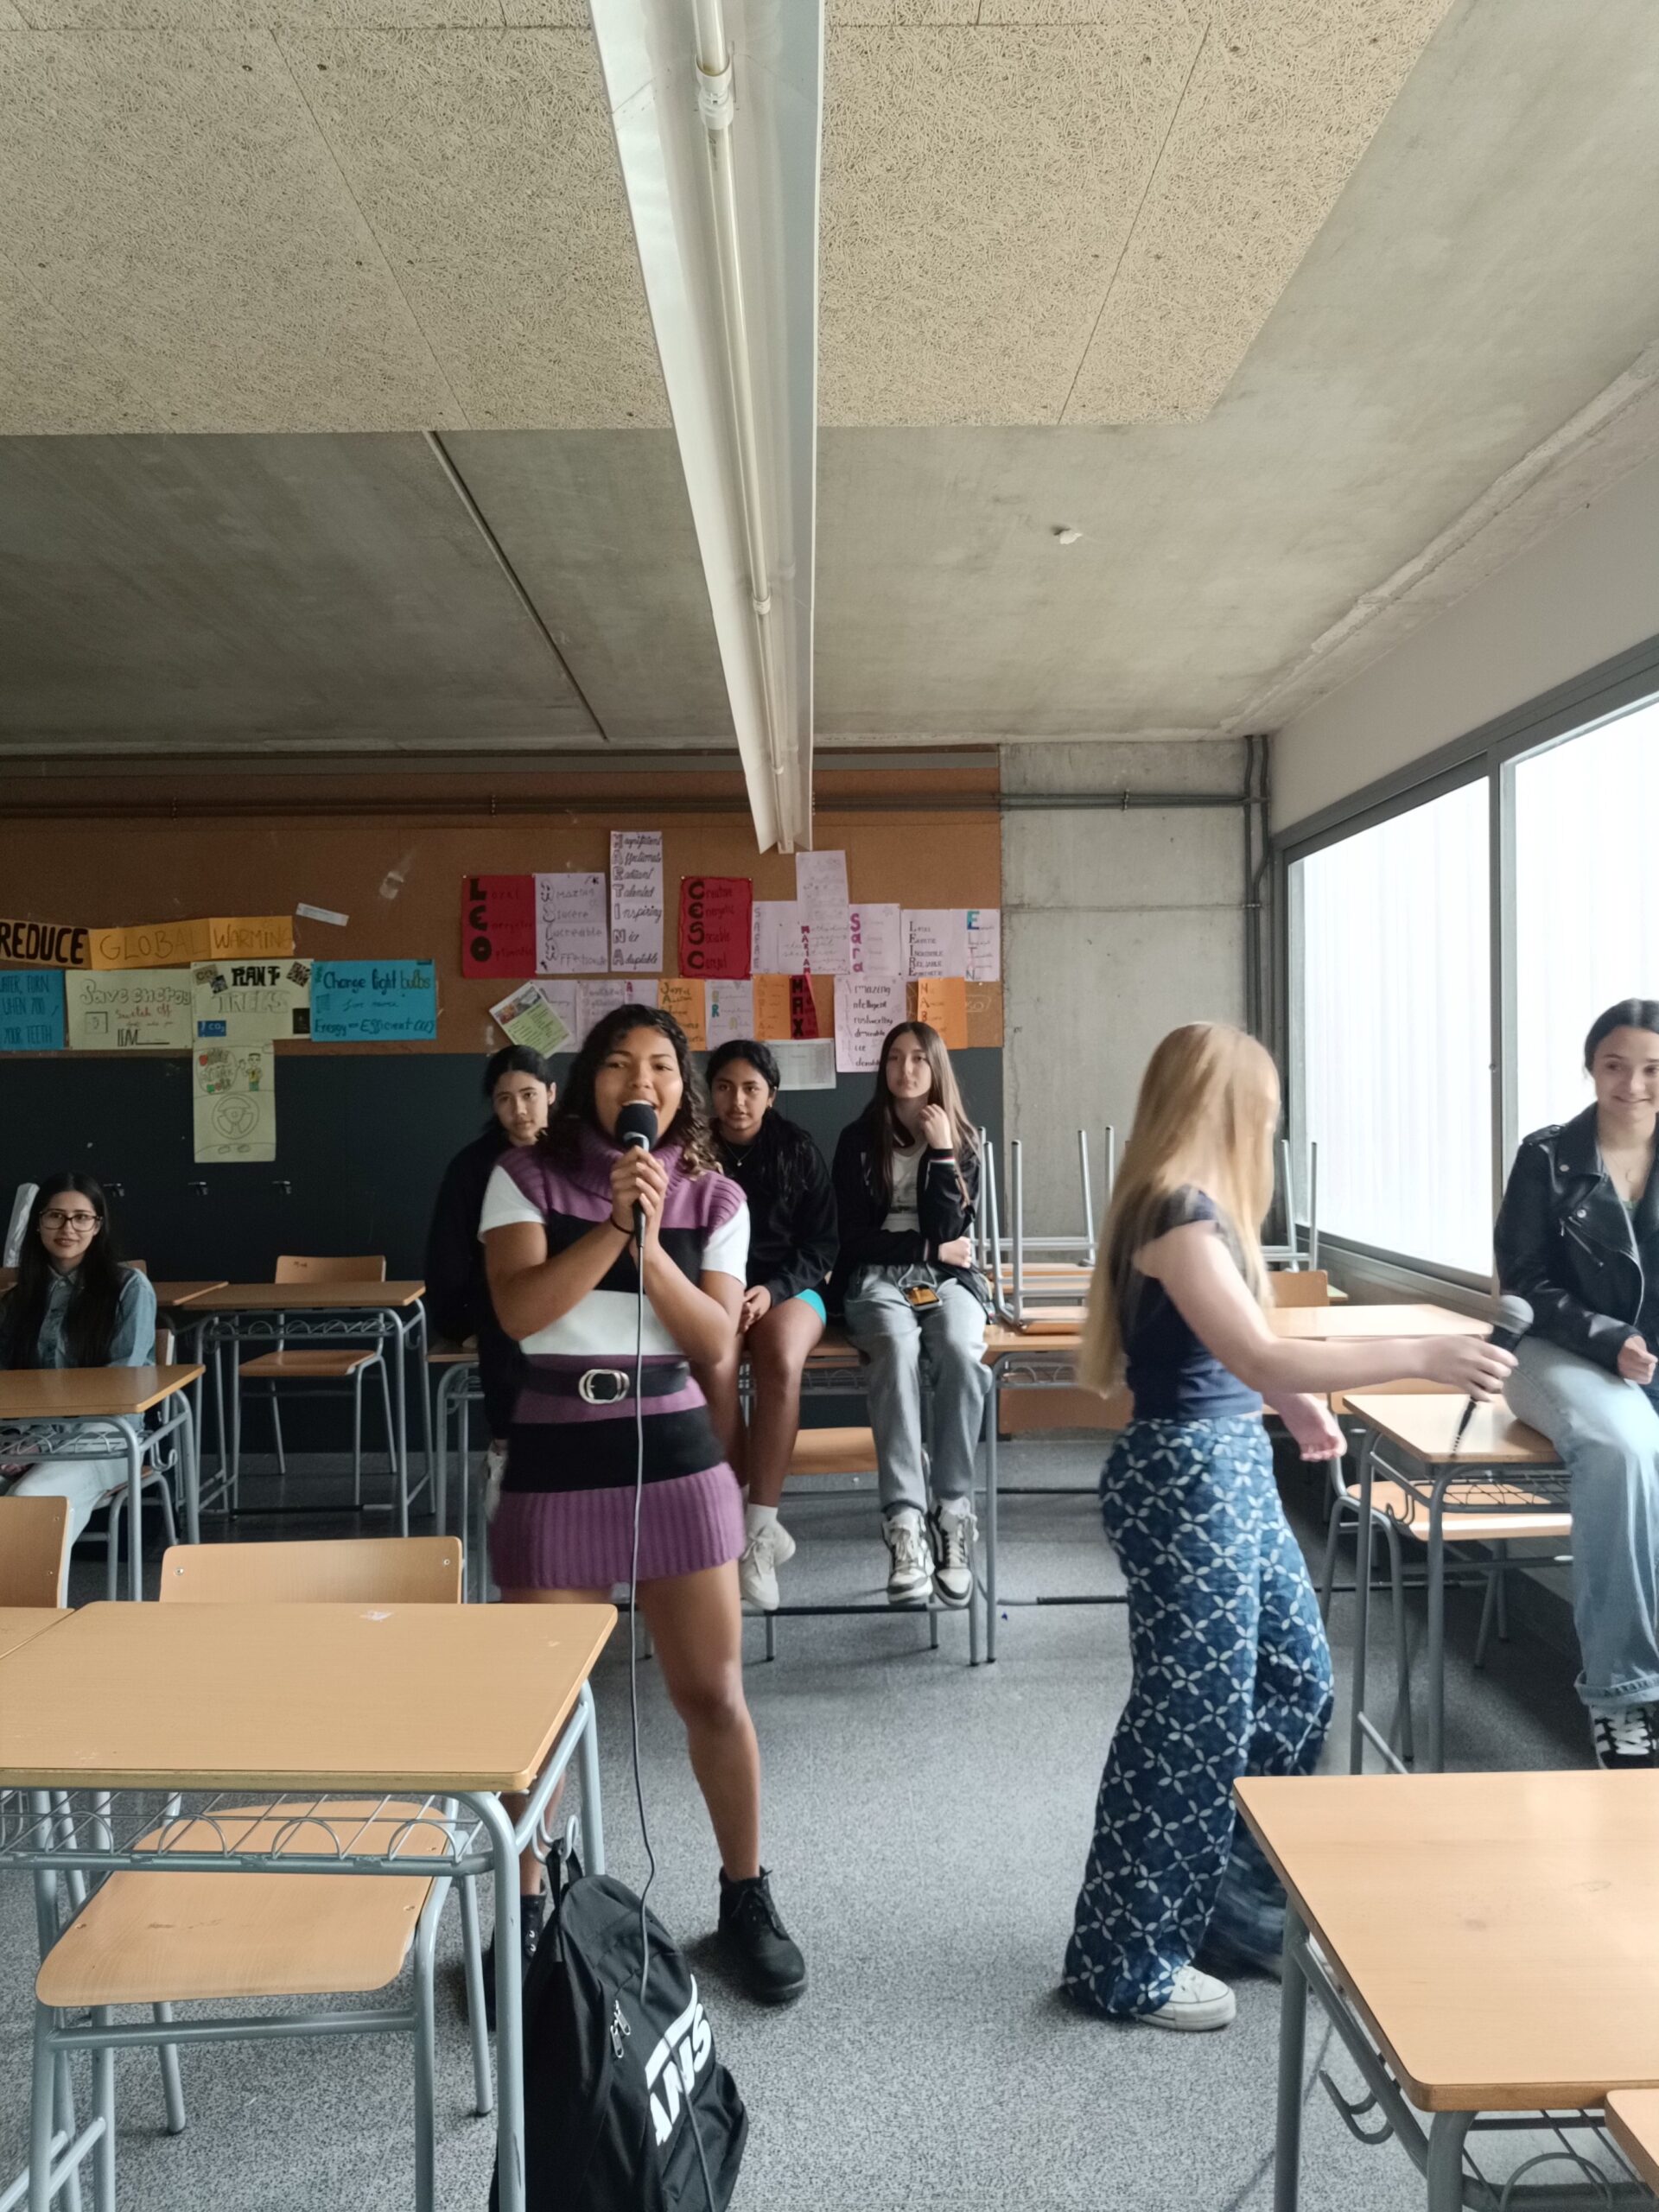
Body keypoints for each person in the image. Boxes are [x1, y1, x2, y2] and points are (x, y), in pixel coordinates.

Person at [1065, 1023, 1514, 2032]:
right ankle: (1126, 1958)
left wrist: (1295, 1405)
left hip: (1225, 1465)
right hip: (1186, 1478)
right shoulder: (1175, 1211)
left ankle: (1226, 1906)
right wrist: (1423, 1351)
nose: (1269, 1127)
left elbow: (1239, 1353)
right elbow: (1259, 1349)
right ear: (1224, 1107)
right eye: (1261, 1109)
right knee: (1189, 1723)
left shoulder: (1200, 1211)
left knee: (1294, 1682)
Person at [482, 1003, 805, 2005]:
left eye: (663, 1065)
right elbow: (522, 1311)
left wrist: (653, 1244)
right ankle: (523, 1911)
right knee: (540, 1712)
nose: (642, 1081)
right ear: (591, 1081)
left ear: (682, 1088)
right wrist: (613, 1229)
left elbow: (713, 1342)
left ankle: (745, 1896)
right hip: (554, 1458)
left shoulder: (713, 1194)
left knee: (713, 1695)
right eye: (621, 1063)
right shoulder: (523, 1177)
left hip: (676, 1457)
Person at [1496, 997, 1659, 1771]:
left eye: (1653, 1069)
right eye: (1615, 1065)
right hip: (1554, 1351)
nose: (1633, 1084)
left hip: (1646, 1361)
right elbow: (1524, 1282)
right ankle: (1623, 1696)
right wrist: (1609, 1339)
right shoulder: (1547, 1156)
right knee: (1624, 1450)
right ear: (1590, 1067)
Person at [831, 1020, 989, 1611]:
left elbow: (953, 1232)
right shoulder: (857, 1139)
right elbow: (853, 1237)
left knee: (960, 1351)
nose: (906, 1070)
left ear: (936, 1066)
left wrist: (942, 1151)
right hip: (877, 1278)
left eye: (919, 1058)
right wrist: (925, 1247)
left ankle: (952, 1510)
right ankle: (904, 1520)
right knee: (895, 1350)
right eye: (895, 1058)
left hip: (948, 1280)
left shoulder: (962, 1141)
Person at [702, 1039, 836, 1612]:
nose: (737, 1101)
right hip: (718, 1289)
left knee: (780, 1360)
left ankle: (759, 1530)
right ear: (710, 1093)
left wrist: (772, 1291)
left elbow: (823, 1245)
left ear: (771, 1095)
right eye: (725, 1087)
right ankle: (735, 1516)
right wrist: (723, 1291)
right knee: (714, 1361)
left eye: (751, 1089)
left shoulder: (797, 1150)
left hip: (791, 1288)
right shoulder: (692, 1151)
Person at [423, 1046, 554, 1507]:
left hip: (566, 1295)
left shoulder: (576, 1157)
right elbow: (447, 1255)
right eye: (504, 1099)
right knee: (505, 1330)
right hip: (497, 1301)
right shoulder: (472, 1166)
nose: (519, 1110)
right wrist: (460, 1324)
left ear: (551, 1094)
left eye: (528, 1095)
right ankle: (504, 1451)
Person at [0, 1172, 160, 1548]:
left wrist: (44, 1443)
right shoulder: (18, 1300)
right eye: (55, 1216)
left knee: (31, 1498)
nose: (67, 1228)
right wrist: (21, 1439)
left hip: (106, 1436)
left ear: (97, 1226)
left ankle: (32, 1587)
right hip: (27, 1435)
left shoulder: (128, 1289)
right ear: (38, 1223)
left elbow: (120, 1387)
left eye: (81, 1217)